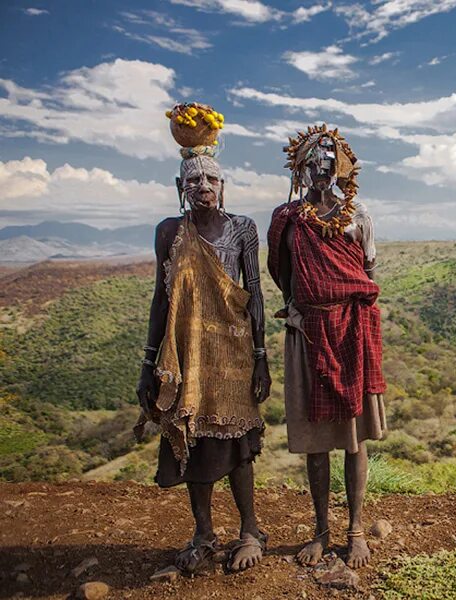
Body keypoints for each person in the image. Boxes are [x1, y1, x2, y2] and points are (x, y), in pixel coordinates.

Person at [135, 140, 271, 574]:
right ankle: (204, 533)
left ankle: (251, 530)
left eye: (211, 178)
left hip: (233, 354)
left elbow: (256, 295)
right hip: (186, 355)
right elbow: (162, 299)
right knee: (191, 441)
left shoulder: (242, 229)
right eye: (194, 179)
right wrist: (148, 364)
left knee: (238, 445)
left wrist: (261, 355)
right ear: (180, 185)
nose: (203, 186)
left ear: (223, 185)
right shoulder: (169, 232)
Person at [267, 125, 386, 569]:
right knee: (317, 442)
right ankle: (320, 530)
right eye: (312, 162)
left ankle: (355, 530)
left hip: (351, 330)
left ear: (341, 168)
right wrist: (302, 310)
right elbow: (281, 273)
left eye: (328, 161)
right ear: (298, 167)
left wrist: (350, 313)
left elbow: (368, 275)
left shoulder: (359, 218)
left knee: (355, 441)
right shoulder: (287, 219)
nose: (320, 168)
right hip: (307, 330)